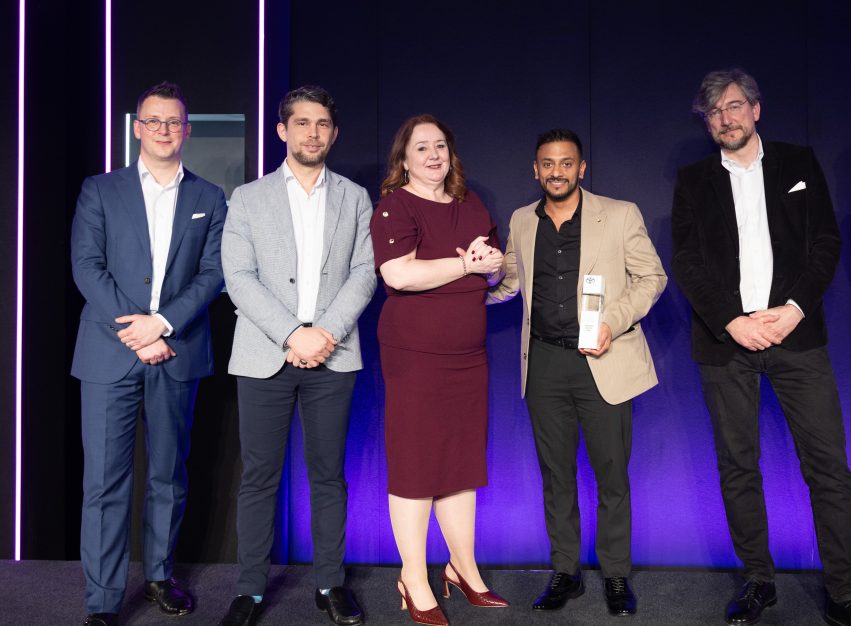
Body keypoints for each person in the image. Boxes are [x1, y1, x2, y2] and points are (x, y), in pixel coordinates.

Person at [671, 69, 851, 626]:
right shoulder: (693, 181)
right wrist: (731, 321)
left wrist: (794, 309)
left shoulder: (798, 163)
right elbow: (687, 261)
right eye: (714, 112)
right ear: (707, 123)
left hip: (796, 335)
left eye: (734, 106)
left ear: (756, 109)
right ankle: (758, 581)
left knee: (828, 466)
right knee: (738, 467)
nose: (726, 119)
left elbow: (825, 242)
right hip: (728, 342)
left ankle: (844, 592)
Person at [488, 128, 666, 617]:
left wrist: (612, 321)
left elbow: (652, 277)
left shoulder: (620, 214)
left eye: (566, 163)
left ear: (581, 168)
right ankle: (565, 571)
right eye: (547, 163)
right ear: (535, 169)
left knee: (612, 474)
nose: (557, 172)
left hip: (602, 360)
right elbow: (508, 282)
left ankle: (615, 574)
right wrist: (473, 279)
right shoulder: (522, 220)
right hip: (545, 362)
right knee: (556, 475)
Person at [71, 81, 226, 626]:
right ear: (138, 128)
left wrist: (162, 324)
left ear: (187, 130)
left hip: (176, 351)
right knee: (104, 483)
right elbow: (87, 266)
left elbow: (214, 273)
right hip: (108, 352)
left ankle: (160, 576)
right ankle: (103, 600)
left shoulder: (211, 197)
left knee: (168, 475)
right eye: (154, 121)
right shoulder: (99, 189)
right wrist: (137, 330)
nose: (164, 129)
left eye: (173, 121)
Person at [219, 85, 375, 626]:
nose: (313, 132)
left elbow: (365, 271)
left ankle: (330, 584)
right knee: (259, 476)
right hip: (264, 353)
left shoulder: (355, 197)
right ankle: (249, 590)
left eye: (323, 123)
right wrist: (292, 334)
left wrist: (324, 333)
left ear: (334, 132)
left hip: (334, 353)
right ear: (282, 130)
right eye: (302, 123)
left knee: (328, 475)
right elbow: (238, 276)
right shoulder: (247, 198)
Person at [371, 114, 508, 626]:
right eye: (422, 147)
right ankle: (413, 577)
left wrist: (490, 266)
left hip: (468, 358)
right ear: (404, 159)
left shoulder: (470, 204)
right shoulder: (395, 207)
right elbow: (399, 274)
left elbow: (491, 268)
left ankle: (463, 568)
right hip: (416, 358)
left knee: (460, 464)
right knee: (416, 466)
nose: (434, 155)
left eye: (441, 146)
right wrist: (467, 266)